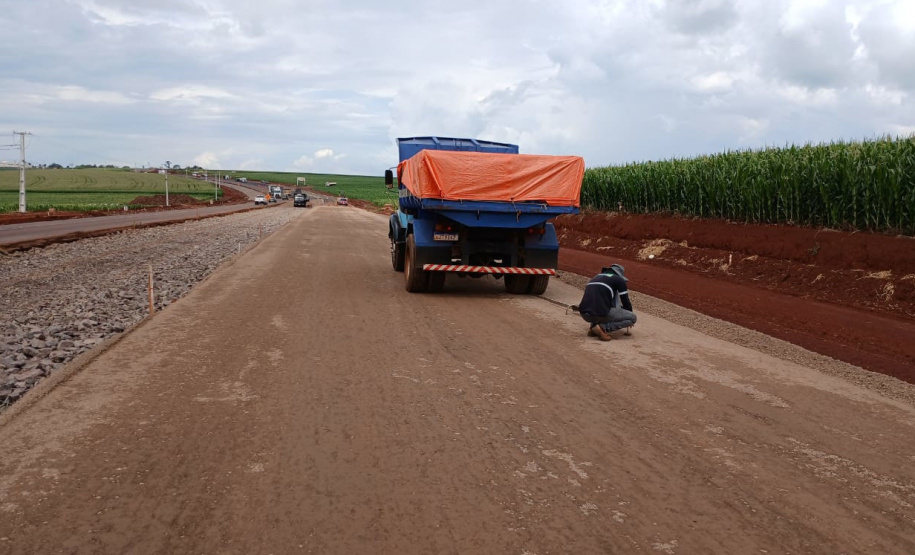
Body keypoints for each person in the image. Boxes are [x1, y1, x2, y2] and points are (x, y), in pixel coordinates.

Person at [576, 263, 637, 341]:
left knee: (599, 306)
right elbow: (625, 301)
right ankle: (603, 328)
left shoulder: (595, 277)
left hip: (584, 314)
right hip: (599, 314)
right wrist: (629, 314)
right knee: (632, 318)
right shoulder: (619, 280)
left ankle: (594, 327)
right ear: (619, 274)